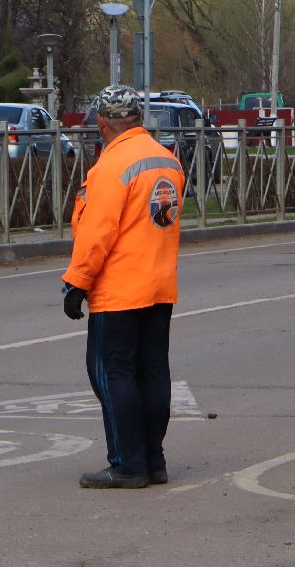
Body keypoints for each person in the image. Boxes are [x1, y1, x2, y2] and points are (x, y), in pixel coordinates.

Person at [61, 84, 186, 490]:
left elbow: (97, 232)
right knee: (153, 372)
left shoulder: (111, 166)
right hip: (159, 286)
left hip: (119, 291)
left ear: (102, 123)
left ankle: (128, 464)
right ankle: (153, 459)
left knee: (113, 374)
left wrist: (77, 283)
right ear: (138, 119)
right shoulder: (167, 160)